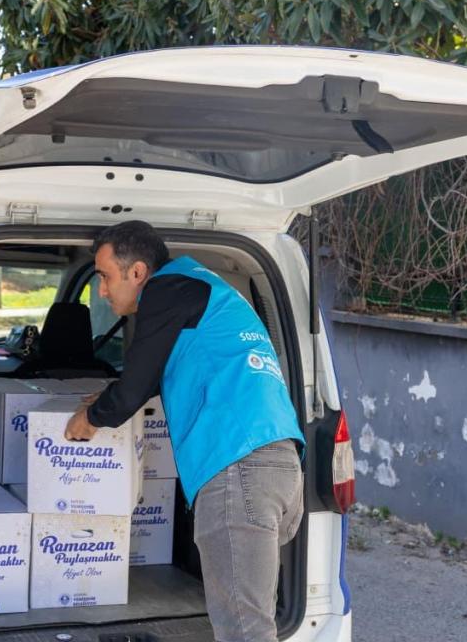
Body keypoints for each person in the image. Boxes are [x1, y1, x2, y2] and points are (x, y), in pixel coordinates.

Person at [64, 220, 305, 642]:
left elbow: (133, 388)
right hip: (280, 467)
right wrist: (107, 395)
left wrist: (90, 419)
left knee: (245, 633)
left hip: (239, 472)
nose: (100, 290)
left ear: (137, 272)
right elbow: (161, 371)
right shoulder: (199, 287)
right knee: (252, 622)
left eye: (103, 276)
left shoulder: (165, 290)